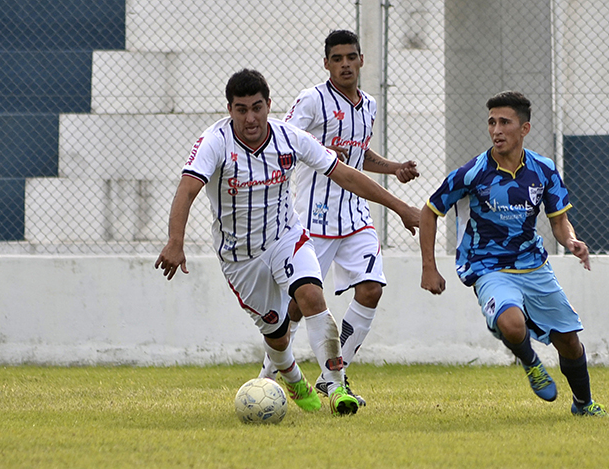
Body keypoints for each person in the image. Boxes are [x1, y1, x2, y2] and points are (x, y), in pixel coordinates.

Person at [155, 69, 419, 416]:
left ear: (268, 105)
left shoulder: (289, 137)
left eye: (257, 107)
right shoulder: (214, 141)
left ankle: (337, 386)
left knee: (311, 295)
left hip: (286, 238)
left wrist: (399, 207)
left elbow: (346, 174)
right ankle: (293, 379)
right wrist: (176, 241)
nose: (250, 118)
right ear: (229, 109)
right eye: (241, 109)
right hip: (241, 257)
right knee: (277, 334)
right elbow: (187, 188)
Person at [419, 91, 607, 417]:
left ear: (525, 128)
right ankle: (531, 362)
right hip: (487, 266)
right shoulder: (473, 172)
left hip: (533, 265)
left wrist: (572, 241)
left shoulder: (544, 170)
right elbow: (430, 210)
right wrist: (429, 267)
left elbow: (559, 221)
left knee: (569, 341)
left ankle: (583, 403)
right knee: (512, 323)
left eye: (505, 122)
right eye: (492, 122)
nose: (496, 130)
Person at [258, 29, 420, 406]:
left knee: (371, 289)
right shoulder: (312, 100)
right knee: (297, 305)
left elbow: (358, 155)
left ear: (361, 60)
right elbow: (284, 141)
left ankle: (333, 378)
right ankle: (267, 377)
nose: (345, 64)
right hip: (313, 220)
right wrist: (323, 149)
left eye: (351, 57)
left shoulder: (369, 105)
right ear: (326, 62)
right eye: (338, 58)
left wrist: (393, 168)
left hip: (356, 218)